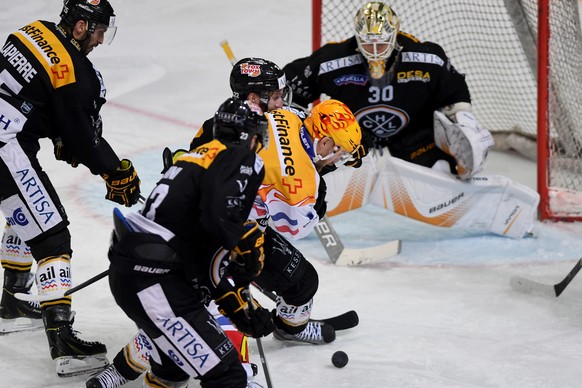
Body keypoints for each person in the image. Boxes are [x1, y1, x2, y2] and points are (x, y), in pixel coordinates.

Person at [86, 59, 364, 388]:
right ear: (325, 143)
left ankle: (290, 327)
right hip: (213, 234)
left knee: (295, 282)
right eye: (273, 96)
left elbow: (203, 149)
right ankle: (123, 370)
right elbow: (291, 226)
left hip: (195, 224)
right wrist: (313, 203)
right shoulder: (299, 176)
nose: (279, 103)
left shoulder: (277, 117)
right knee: (188, 307)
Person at [283, 1, 539, 238]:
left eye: (381, 45)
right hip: (352, 140)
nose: (374, 53)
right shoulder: (333, 59)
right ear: (356, 39)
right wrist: (294, 130)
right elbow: (293, 87)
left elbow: (455, 90)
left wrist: (463, 122)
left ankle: (481, 205)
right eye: (367, 44)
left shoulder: (426, 57)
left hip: (413, 135)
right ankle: (290, 207)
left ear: (394, 37)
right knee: (318, 159)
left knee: (438, 175)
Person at [0, 0, 141, 377]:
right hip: (4, 149)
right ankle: (62, 339)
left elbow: (34, 98)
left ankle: (12, 300)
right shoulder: (76, 71)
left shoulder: (34, 29)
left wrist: (57, 131)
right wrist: (115, 172)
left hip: (7, 138)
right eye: (97, 31)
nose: (98, 40)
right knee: (53, 238)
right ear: (80, 26)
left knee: (24, 211)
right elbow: (81, 137)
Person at [106, 97, 274, 387]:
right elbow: (217, 218)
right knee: (229, 377)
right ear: (250, 136)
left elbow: (201, 248)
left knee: (171, 372)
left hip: (139, 279)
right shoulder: (238, 156)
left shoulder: (195, 156)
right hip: (157, 286)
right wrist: (241, 243)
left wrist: (235, 306)